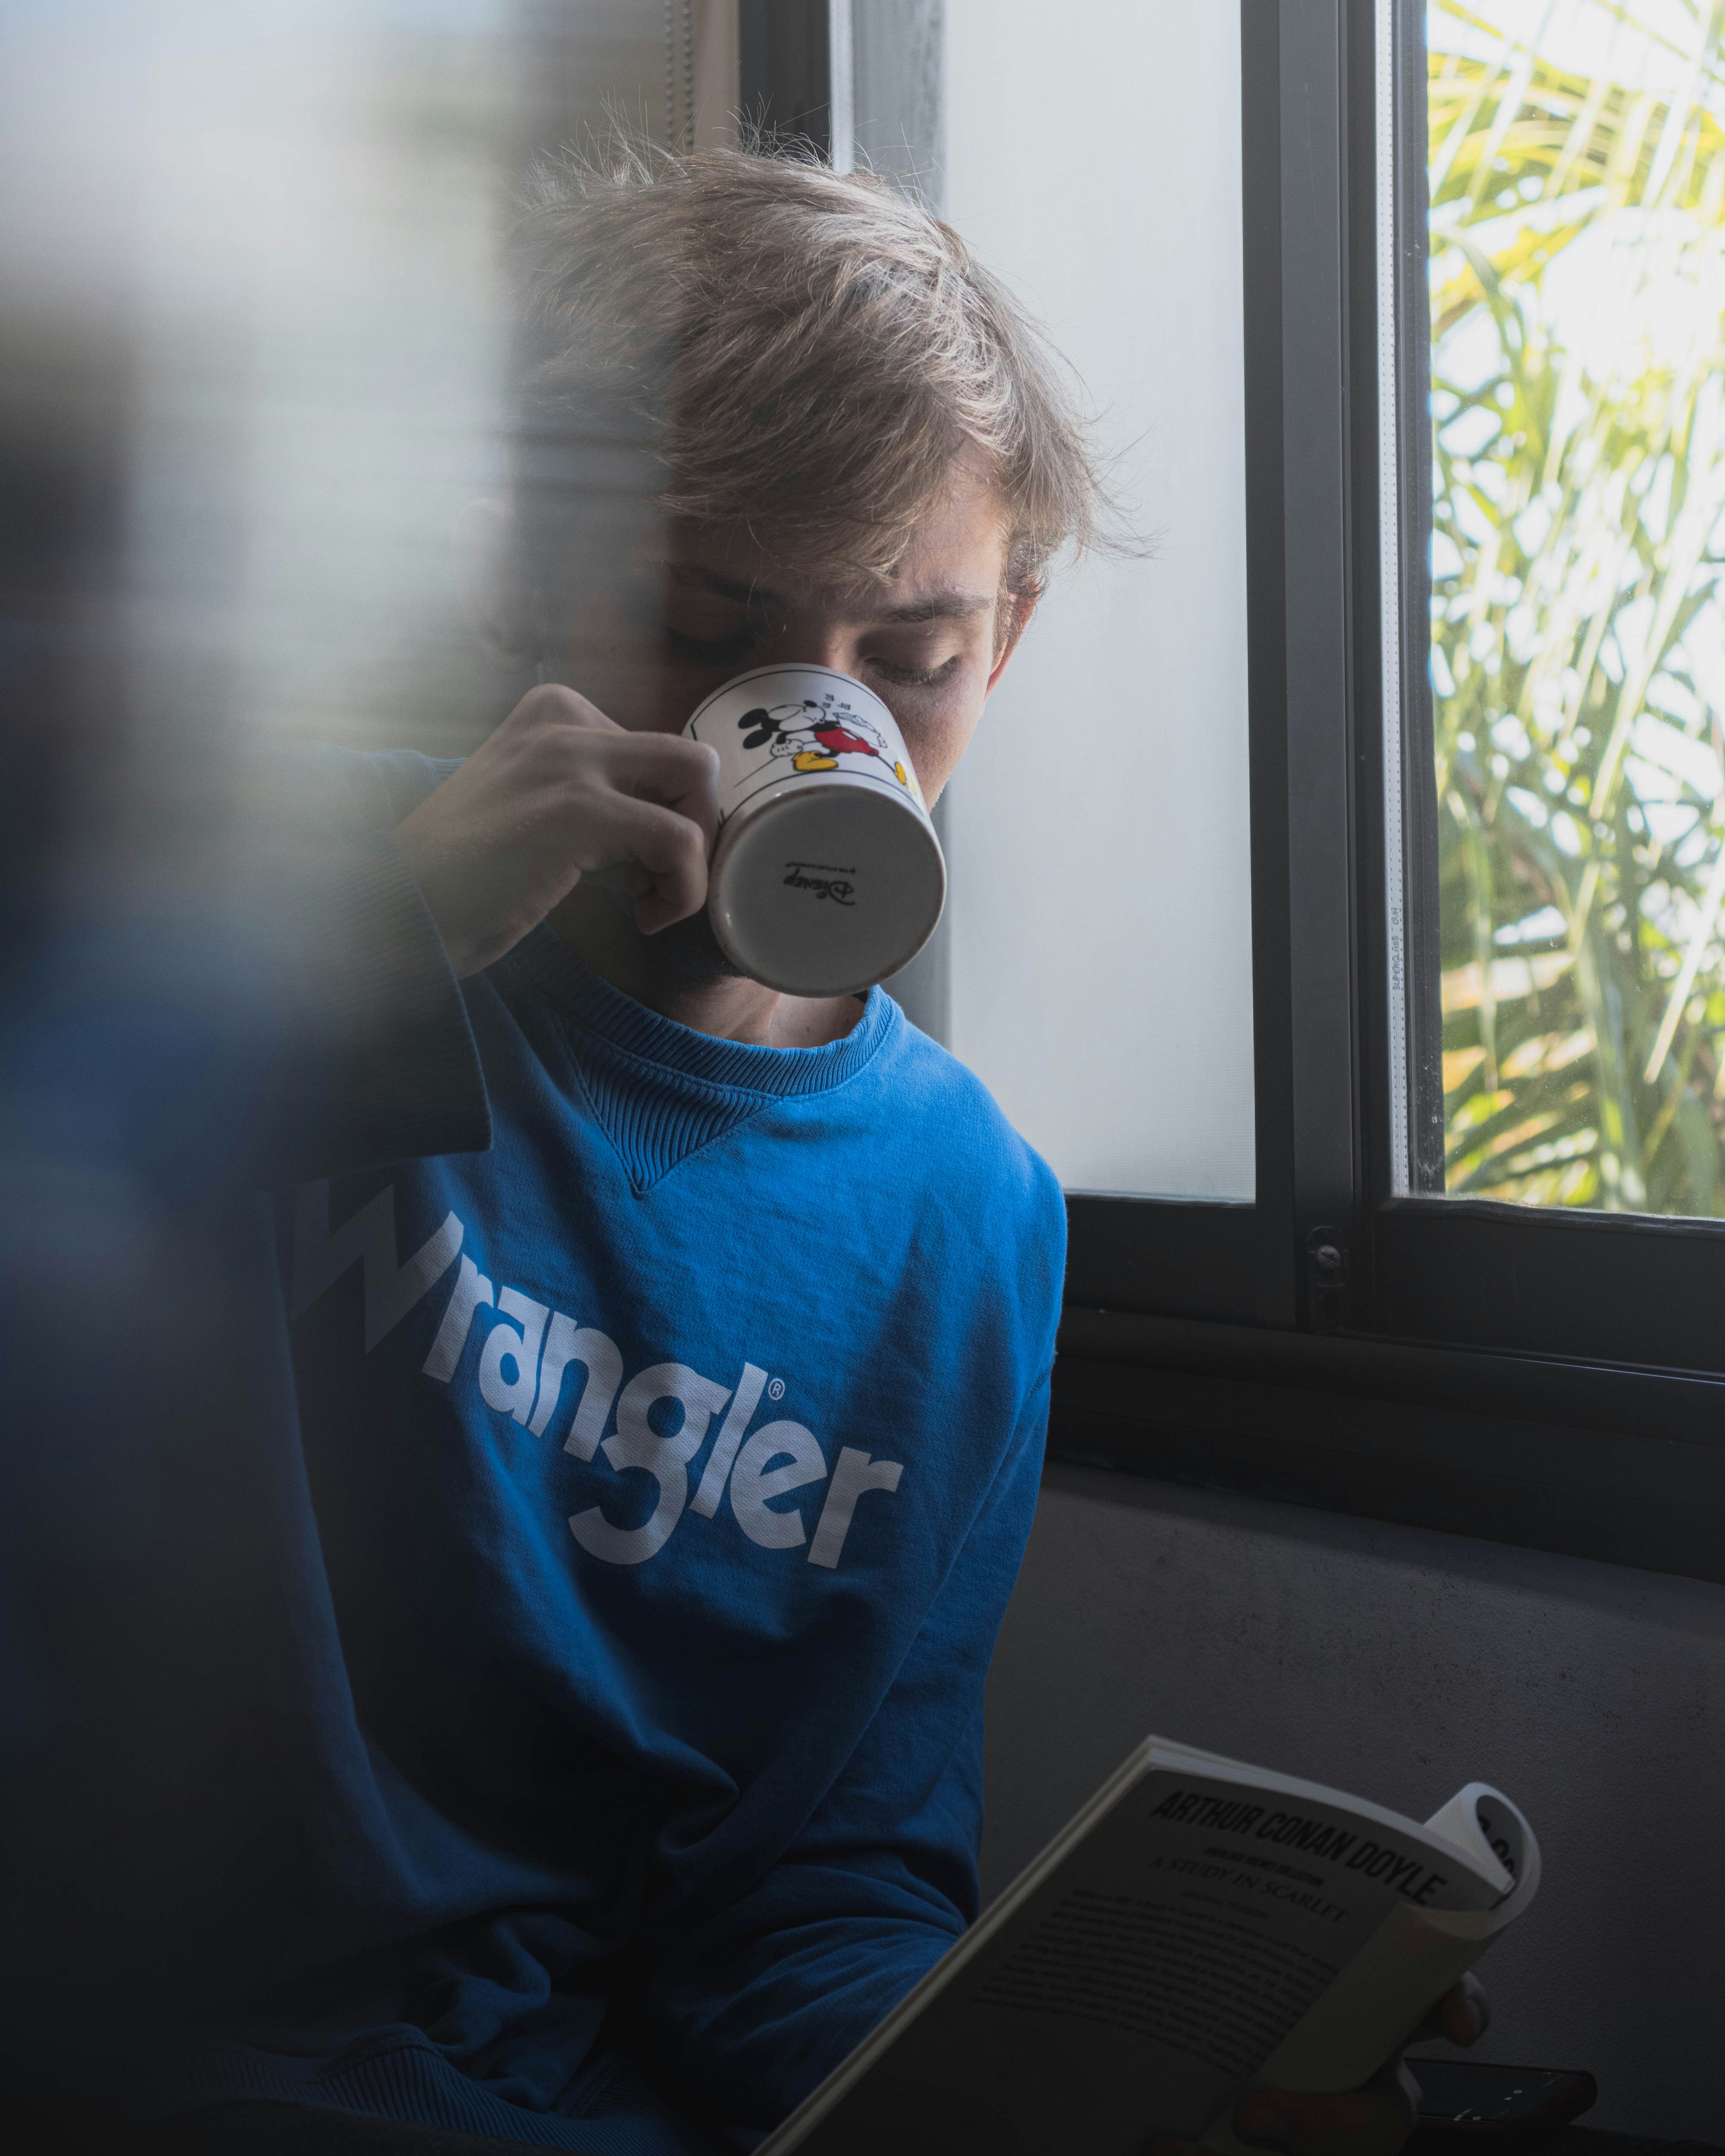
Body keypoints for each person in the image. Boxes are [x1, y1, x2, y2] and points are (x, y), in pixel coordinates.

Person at [0, 145, 1484, 2156]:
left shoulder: (968, 1211)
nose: (822, 716)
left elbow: (812, 1884)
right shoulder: (270, 865)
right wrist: (390, 929)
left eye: (919, 655)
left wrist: (1059, 2076)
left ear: (1011, 641)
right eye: (712, 624)